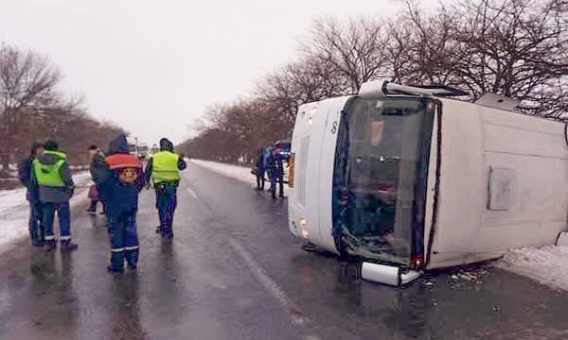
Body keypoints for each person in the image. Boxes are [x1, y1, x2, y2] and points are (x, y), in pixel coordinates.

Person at [102, 134, 145, 272]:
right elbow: (141, 181)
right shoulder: (135, 161)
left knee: (116, 233)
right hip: (131, 202)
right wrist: (132, 191)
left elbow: (103, 182)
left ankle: (117, 264)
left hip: (113, 203)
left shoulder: (108, 161)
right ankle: (132, 260)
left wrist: (105, 197)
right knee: (131, 231)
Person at [32, 140, 78, 251]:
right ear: (56, 148)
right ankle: (65, 242)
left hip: (45, 195)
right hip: (61, 195)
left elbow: (33, 179)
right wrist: (71, 187)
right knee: (64, 219)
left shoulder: (36, 162)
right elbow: (66, 178)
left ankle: (49, 242)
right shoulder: (61, 162)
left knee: (47, 219)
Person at [145, 138, 187, 238]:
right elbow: (183, 166)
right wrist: (180, 158)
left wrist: (147, 182)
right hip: (171, 186)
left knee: (161, 207)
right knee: (170, 207)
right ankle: (169, 229)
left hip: (159, 186)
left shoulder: (154, 157)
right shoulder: (174, 157)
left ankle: (163, 228)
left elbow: (148, 170)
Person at [18, 141, 45, 247]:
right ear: (35, 149)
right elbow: (23, 176)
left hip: (43, 191)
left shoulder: (42, 160)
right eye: (40, 149)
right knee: (34, 215)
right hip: (33, 192)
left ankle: (44, 236)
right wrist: (31, 185)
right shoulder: (28, 161)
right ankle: (34, 238)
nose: (41, 151)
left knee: (44, 215)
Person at [86, 145, 107, 214]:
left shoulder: (98, 156)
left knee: (100, 193)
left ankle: (104, 209)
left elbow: (101, 168)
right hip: (99, 177)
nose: (90, 153)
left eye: (90, 151)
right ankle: (93, 207)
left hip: (100, 178)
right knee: (97, 192)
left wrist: (98, 177)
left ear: (93, 150)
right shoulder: (98, 155)